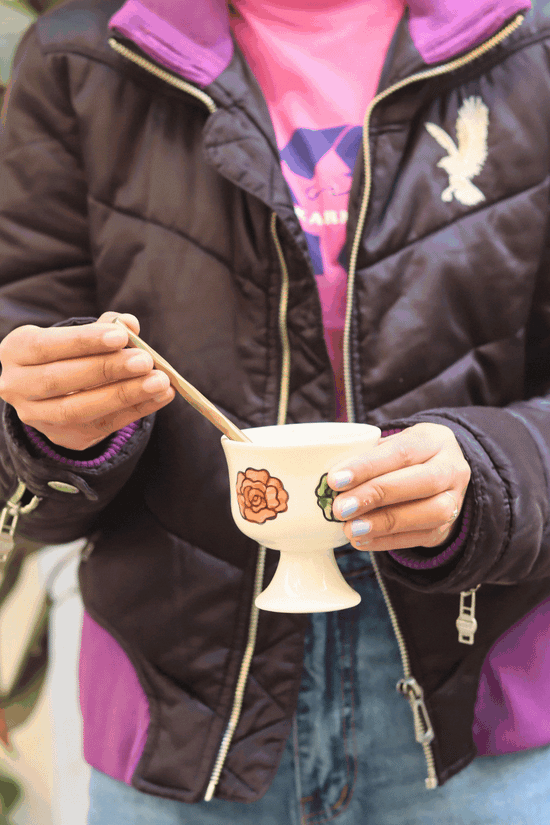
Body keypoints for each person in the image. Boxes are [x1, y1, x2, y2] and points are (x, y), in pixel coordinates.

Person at [1, 0, 550, 822]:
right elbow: (27, 470)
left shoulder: (528, 44)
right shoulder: (82, 59)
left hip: (476, 694)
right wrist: (51, 434)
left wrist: (490, 475)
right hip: (182, 707)